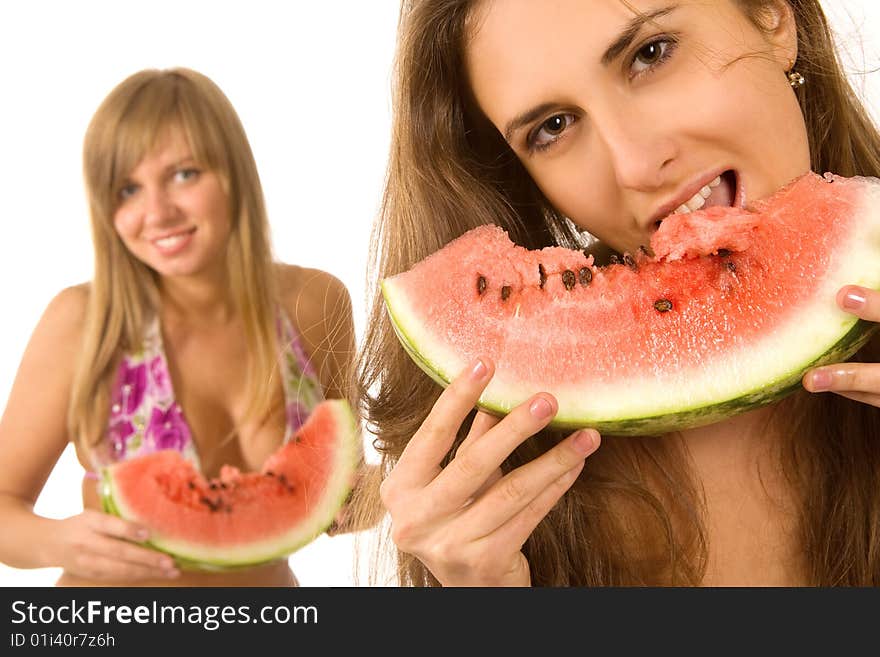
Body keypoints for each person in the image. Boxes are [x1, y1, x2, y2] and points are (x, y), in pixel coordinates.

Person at [357, 0, 880, 586]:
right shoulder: (508, 478)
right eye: (552, 127)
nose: (635, 164)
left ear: (772, 17)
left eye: (649, 54)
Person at [0, 67, 370, 586]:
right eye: (127, 189)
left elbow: (341, 499)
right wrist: (56, 541)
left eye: (184, 174)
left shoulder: (315, 302)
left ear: (234, 172)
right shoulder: (85, 322)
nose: (157, 213)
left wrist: (409, 486)